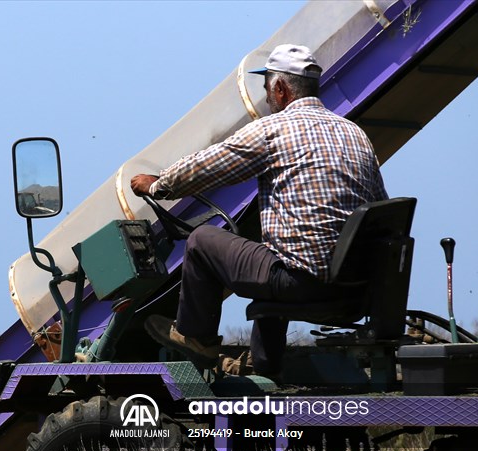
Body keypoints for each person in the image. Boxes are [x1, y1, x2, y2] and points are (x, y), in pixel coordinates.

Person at [130, 44, 387, 380]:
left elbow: (208, 166)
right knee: (274, 255)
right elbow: (380, 208)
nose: (267, 99)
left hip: (302, 282)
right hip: (354, 284)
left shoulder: (273, 131)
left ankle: (196, 337)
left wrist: (158, 184)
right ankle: (262, 366)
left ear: (280, 89)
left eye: (267, 89)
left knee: (203, 239)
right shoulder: (355, 135)